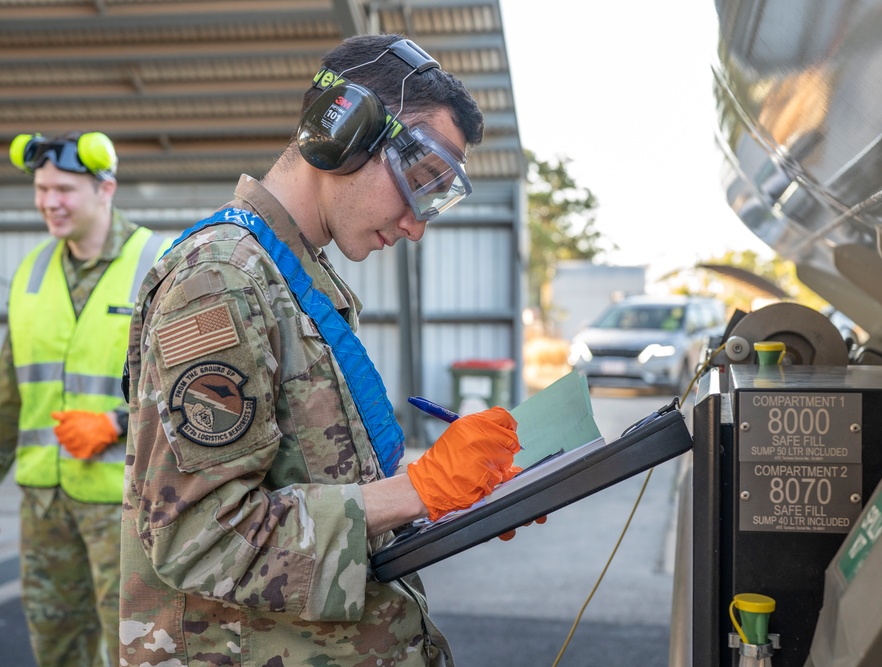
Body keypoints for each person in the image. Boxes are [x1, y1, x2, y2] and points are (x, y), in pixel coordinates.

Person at [120, 34, 523, 666]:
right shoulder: (220, 280)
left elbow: (312, 479)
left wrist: (453, 493)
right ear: (342, 133)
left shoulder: (295, 280)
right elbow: (197, 535)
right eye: (418, 180)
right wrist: (418, 490)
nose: (417, 224)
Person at [0, 131, 171, 666]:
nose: (49, 202)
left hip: (125, 505)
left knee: (135, 647)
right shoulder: (30, 274)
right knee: (56, 645)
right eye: (42, 188)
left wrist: (118, 424)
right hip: (44, 505)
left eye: (64, 189)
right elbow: (8, 395)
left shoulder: (158, 263)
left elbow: (192, 389)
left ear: (105, 188)